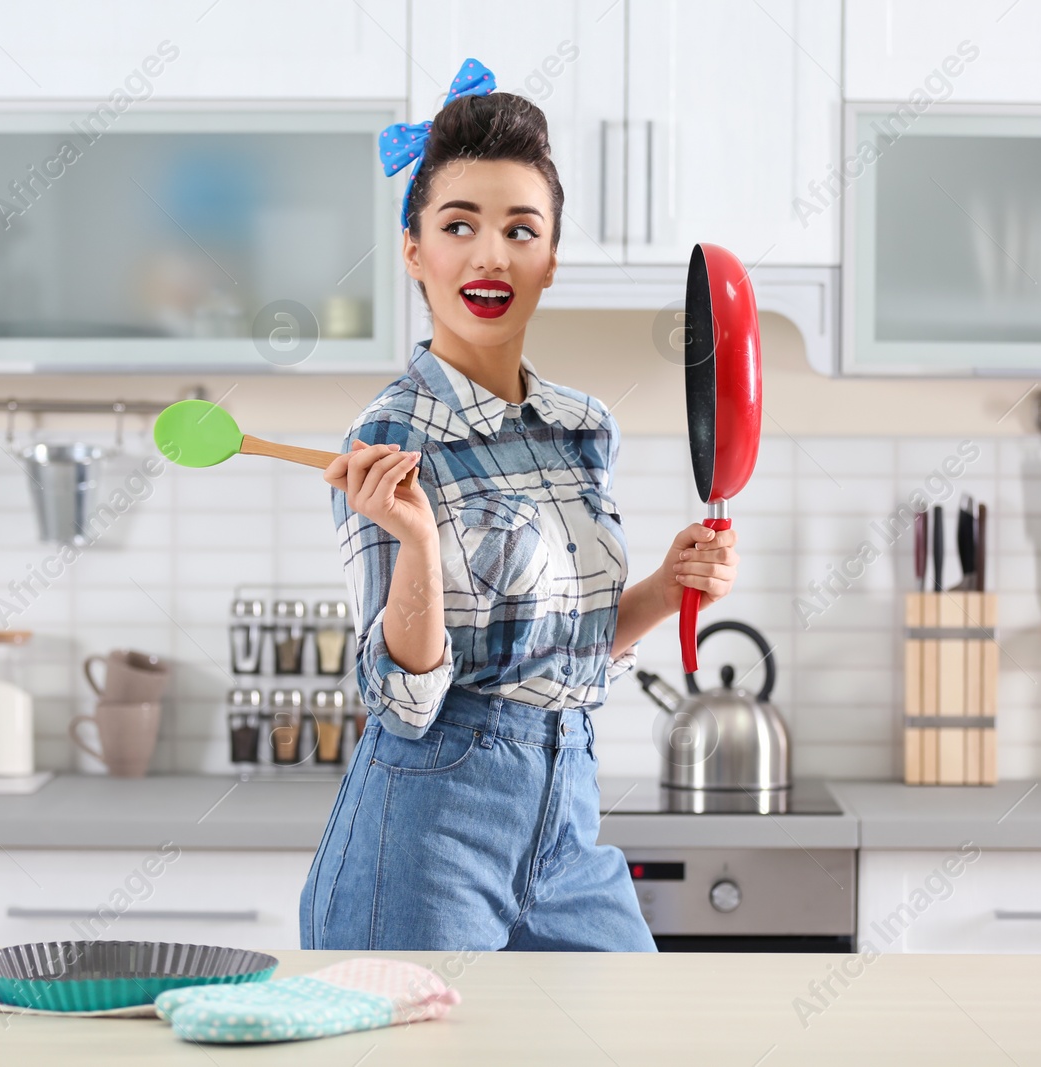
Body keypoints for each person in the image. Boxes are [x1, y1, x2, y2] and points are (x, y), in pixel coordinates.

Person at [298, 59, 740, 952]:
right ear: (416, 251)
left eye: (519, 229)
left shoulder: (583, 426)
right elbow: (404, 704)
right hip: (427, 828)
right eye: (458, 225)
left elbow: (563, 643)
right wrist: (416, 546)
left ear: (548, 262)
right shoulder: (389, 432)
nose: (490, 253)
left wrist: (663, 585)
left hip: (568, 811)